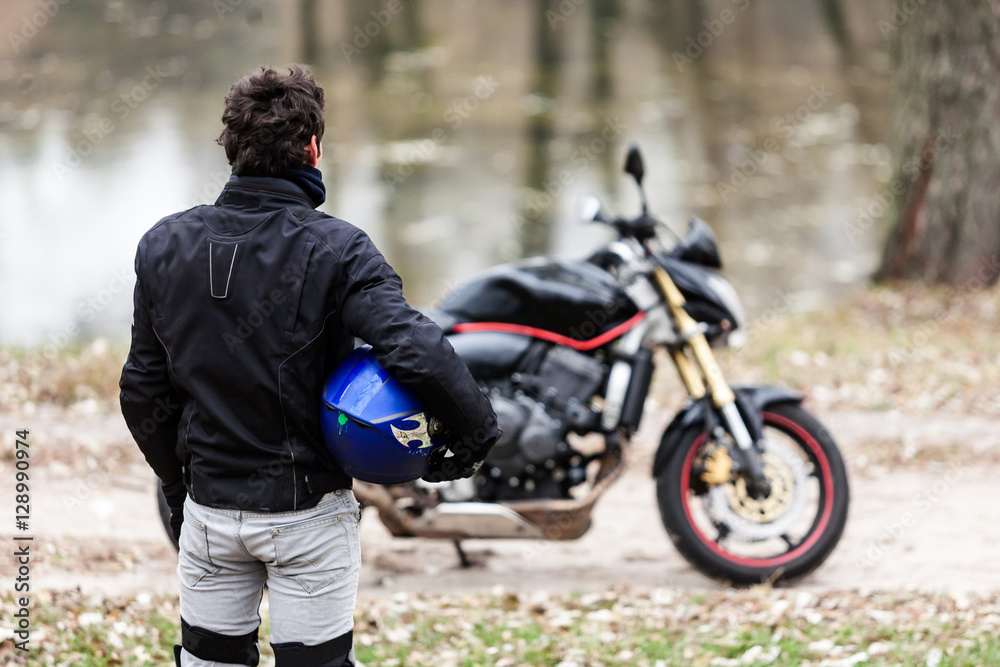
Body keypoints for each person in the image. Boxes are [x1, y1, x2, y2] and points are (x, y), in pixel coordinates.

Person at [119, 64, 500, 667]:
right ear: (313, 148)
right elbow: (413, 347)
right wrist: (477, 433)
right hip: (308, 518)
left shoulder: (164, 245)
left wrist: (176, 481)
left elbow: (142, 389)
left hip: (211, 513)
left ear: (233, 150)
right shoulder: (339, 249)